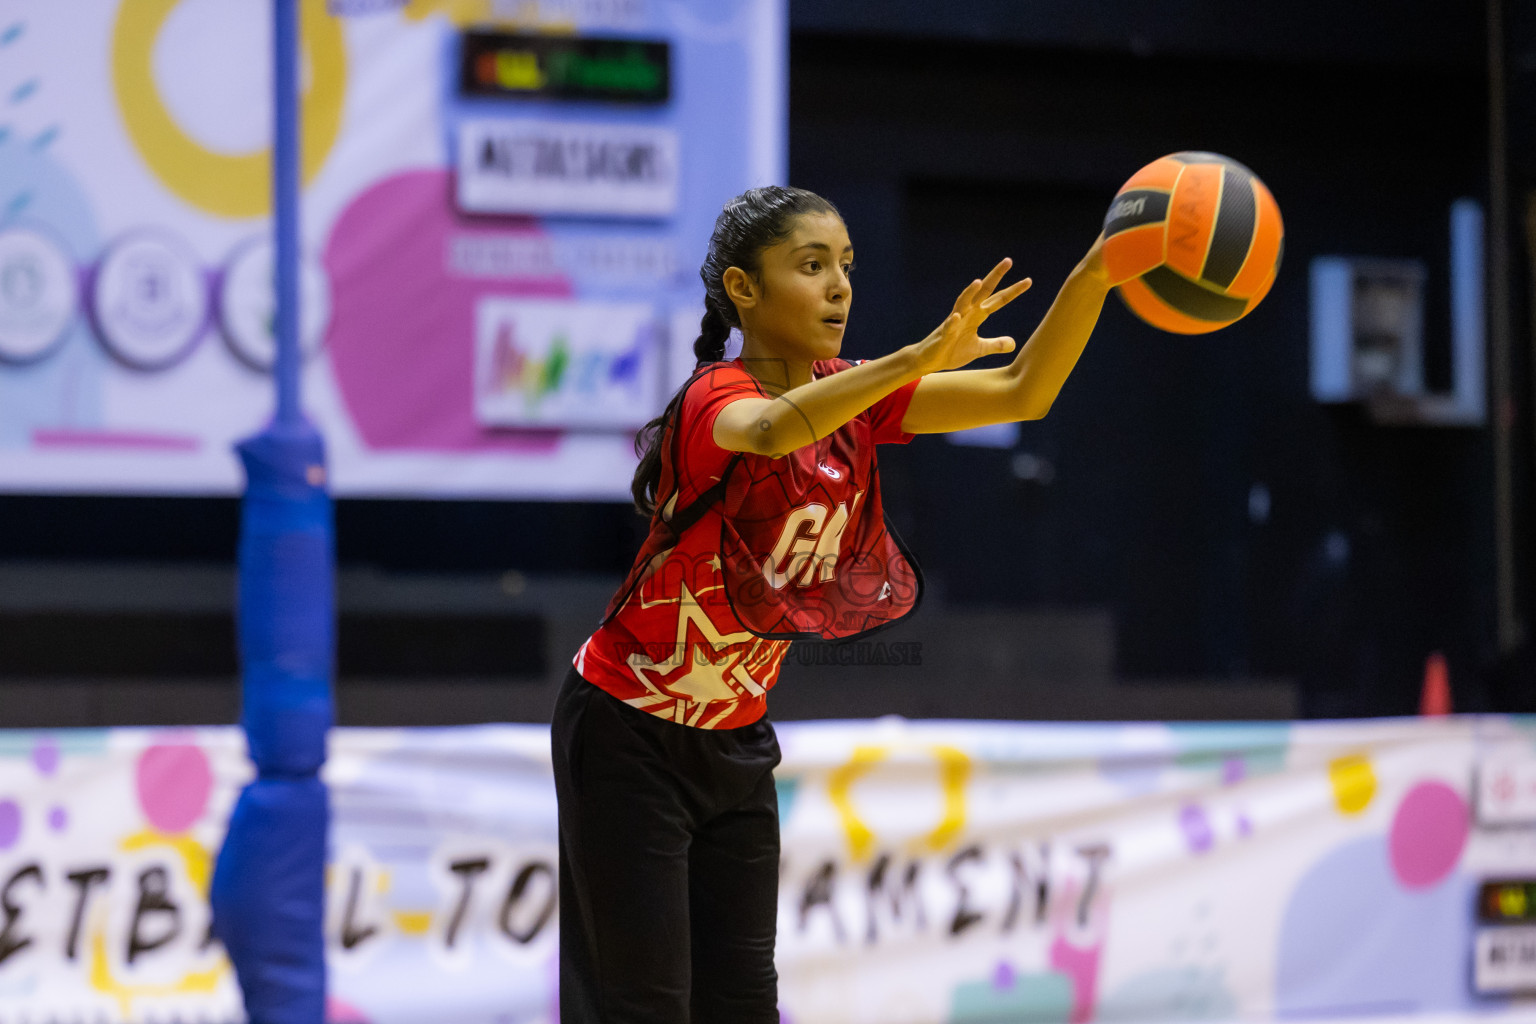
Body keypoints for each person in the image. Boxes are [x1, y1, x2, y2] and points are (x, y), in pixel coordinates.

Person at [552, 185, 1109, 1023]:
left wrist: (1100, 270)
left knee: (744, 1002)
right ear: (745, 289)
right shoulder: (717, 398)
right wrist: (917, 357)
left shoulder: (852, 394)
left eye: (846, 266)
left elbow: (1023, 391)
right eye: (811, 266)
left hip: (735, 741)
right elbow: (775, 428)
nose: (840, 286)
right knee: (647, 1004)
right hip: (627, 734)